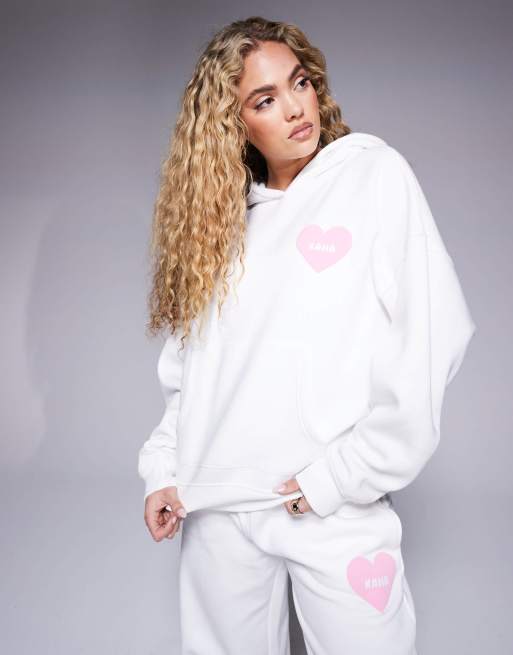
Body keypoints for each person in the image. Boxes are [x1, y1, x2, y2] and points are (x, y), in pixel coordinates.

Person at [137, 15, 476, 655]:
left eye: (299, 83)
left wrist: (341, 478)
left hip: (329, 507)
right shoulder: (220, 224)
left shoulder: (371, 175)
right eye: (265, 100)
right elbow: (192, 377)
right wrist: (163, 469)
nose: (295, 108)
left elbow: (433, 339)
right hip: (217, 510)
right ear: (234, 124)